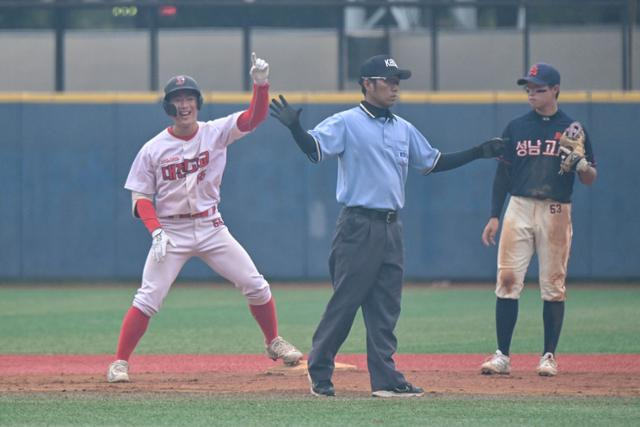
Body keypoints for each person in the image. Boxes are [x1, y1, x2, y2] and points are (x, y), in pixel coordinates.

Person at [270, 54, 505, 397]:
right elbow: (315, 149)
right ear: (367, 84)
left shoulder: (403, 128)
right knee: (346, 303)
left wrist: (478, 151)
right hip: (357, 225)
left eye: (397, 81)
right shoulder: (347, 122)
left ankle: (385, 380)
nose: (395, 86)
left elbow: (433, 162)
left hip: (392, 227)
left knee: (386, 307)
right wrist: (295, 129)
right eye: (388, 80)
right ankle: (320, 372)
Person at [107, 53, 302, 383]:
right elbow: (140, 197)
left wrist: (260, 84)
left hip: (211, 225)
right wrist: (155, 231)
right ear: (169, 107)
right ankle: (120, 362)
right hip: (171, 229)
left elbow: (254, 118)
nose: (184, 105)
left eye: (189, 99)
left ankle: (273, 342)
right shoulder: (153, 149)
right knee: (148, 297)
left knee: (255, 284)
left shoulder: (216, 132)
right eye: (177, 100)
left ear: (198, 103)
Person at [479, 63, 597, 377]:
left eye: (539, 88)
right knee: (507, 281)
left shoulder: (573, 128)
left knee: (553, 286)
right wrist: (494, 214)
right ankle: (502, 355)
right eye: (529, 88)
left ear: (555, 89)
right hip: (518, 205)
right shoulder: (516, 127)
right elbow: (502, 174)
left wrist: (582, 163)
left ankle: (548, 356)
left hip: (556, 210)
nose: (532, 93)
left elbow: (590, 178)